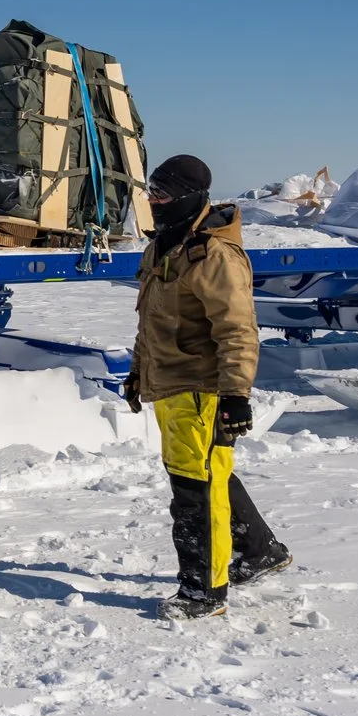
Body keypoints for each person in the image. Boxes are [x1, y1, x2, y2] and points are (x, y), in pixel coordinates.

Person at [124, 153, 293, 620]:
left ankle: (203, 592)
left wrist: (236, 394)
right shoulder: (162, 247)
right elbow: (150, 321)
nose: (153, 202)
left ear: (189, 198)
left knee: (194, 489)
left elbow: (237, 330)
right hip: (169, 384)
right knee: (210, 472)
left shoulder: (215, 256)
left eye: (162, 195)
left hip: (201, 388)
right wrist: (138, 370)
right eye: (150, 193)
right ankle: (260, 551)